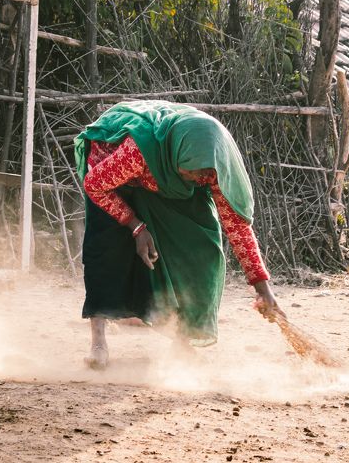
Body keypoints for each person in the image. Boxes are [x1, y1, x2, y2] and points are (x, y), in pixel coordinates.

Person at [74, 99, 281, 368]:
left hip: (163, 176)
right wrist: (136, 226)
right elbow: (95, 185)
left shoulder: (212, 165)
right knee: (107, 249)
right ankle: (98, 342)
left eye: (205, 173)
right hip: (113, 172)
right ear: (180, 158)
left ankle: (183, 344)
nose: (200, 178)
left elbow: (237, 227)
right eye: (193, 172)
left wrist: (262, 288)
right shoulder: (137, 152)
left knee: (204, 246)